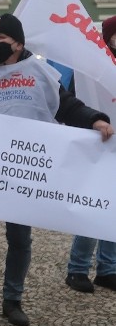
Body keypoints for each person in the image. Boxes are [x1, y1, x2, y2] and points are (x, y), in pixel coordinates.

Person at [0, 13, 113, 326]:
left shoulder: (40, 73)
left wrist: (95, 120)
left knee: (20, 239)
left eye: (1, 40)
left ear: (18, 44)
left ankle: (13, 301)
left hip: (24, 173)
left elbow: (66, 105)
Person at [64, 15, 116, 293]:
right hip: (96, 144)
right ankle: (78, 269)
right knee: (93, 207)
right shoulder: (88, 70)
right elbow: (74, 103)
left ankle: (108, 269)